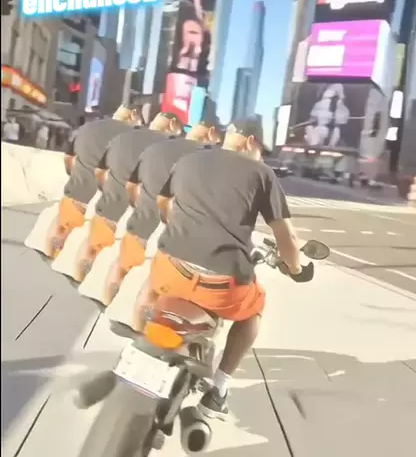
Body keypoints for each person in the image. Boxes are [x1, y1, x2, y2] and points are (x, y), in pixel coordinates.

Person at [134, 118, 303, 419]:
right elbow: (286, 237)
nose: (261, 156)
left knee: (151, 283)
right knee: (254, 308)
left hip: (171, 269)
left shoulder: (188, 160)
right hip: (222, 285)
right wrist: (296, 267)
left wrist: (177, 226)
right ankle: (219, 390)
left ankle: (136, 346)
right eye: (261, 149)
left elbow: (162, 202)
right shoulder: (262, 174)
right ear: (250, 141)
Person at [102, 116, 223, 305]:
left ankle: (107, 305)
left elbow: (131, 185)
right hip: (175, 235)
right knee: (157, 285)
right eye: (219, 139)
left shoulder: (154, 149)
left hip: (142, 223)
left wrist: (137, 206)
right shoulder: (206, 160)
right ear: (211, 133)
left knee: (122, 267)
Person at [72, 111, 184, 283]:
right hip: (148, 224)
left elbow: (101, 172)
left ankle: (79, 281)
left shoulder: (123, 139)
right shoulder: (171, 151)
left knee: (95, 252)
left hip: (111, 211)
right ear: (172, 125)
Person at [43, 101, 146, 260]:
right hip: (110, 196)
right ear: (132, 115)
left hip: (79, 187)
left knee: (65, 223)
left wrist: (71, 173)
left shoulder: (87, 128)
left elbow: (68, 157)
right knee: (99, 238)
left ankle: (53, 250)